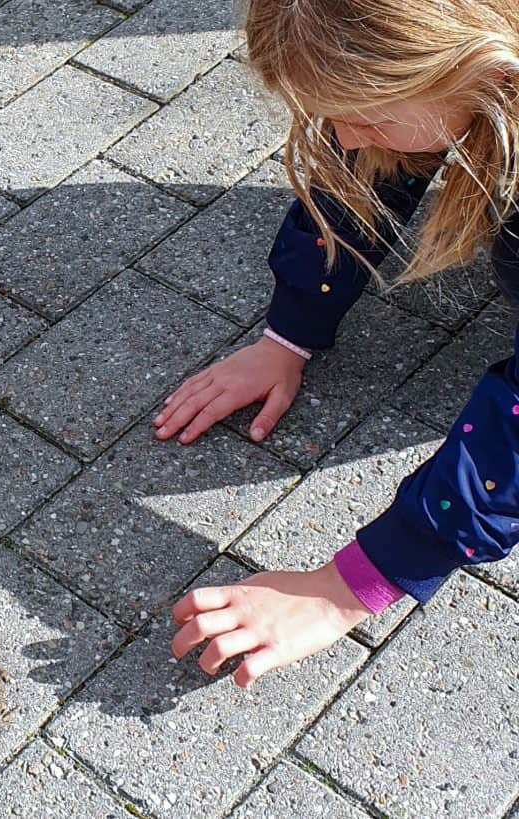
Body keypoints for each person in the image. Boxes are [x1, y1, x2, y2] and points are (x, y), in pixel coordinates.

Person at [156, 0, 519, 687]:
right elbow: (358, 170)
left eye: (369, 114)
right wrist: (289, 332)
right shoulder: (444, 78)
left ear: (477, 61)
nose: (347, 137)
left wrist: (348, 585)